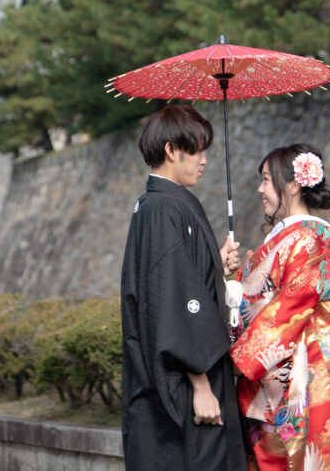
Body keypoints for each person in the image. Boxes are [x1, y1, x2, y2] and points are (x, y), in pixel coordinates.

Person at [121, 104, 247, 471]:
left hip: (175, 379)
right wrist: (201, 384)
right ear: (171, 150)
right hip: (186, 383)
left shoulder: (156, 203)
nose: (203, 160)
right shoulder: (164, 208)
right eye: (195, 150)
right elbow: (175, 301)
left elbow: (178, 279)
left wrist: (214, 264)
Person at [231, 143, 330, 471]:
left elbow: (288, 310)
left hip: (292, 388)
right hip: (275, 382)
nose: (260, 189)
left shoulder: (305, 241)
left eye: (266, 179)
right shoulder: (286, 240)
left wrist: (235, 361)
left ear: (292, 184)